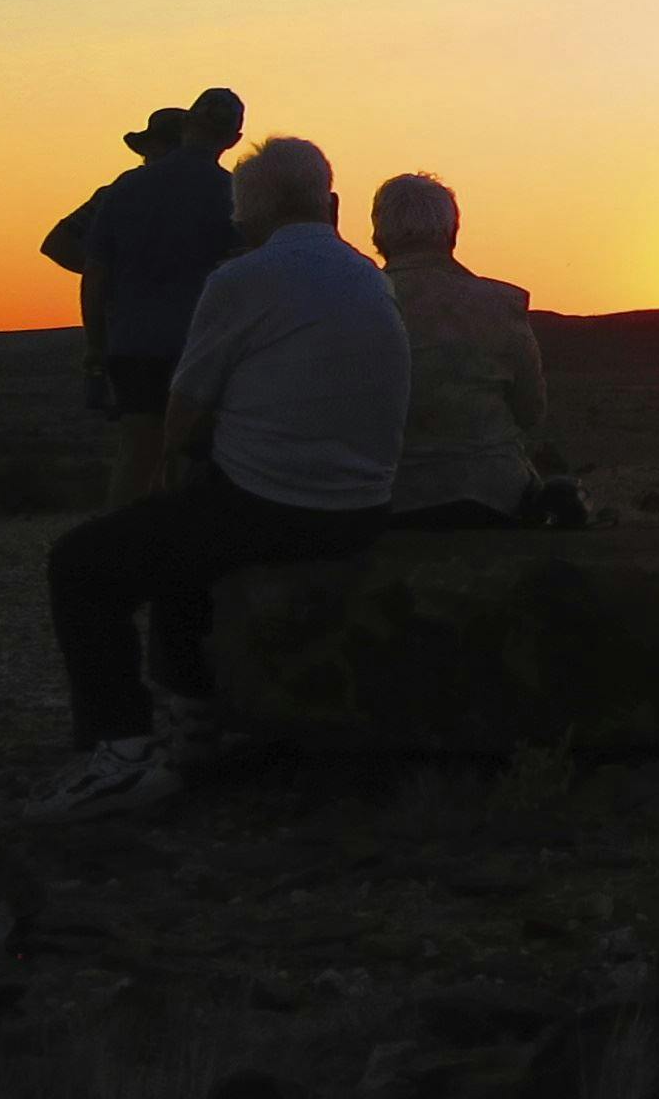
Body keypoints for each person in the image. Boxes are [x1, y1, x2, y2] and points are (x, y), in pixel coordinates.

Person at [34, 136, 408, 820]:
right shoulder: (366, 275)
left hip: (280, 506)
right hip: (364, 506)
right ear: (330, 203)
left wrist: (169, 463)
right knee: (186, 535)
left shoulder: (243, 280)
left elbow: (185, 408)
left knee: (83, 564)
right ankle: (195, 719)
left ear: (246, 211)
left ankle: (122, 749)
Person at [53, 87, 249, 505]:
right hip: (201, 349)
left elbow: (93, 270)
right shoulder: (235, 196)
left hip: (133, 345)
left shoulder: (124, 189)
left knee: (137, 455)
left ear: (189, 125)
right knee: (197, 459)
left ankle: (119, 556)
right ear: (233, 139)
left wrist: (96, 342)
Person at [370, 173, 558, 529]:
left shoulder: (360, 304)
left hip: (389, 500)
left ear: (378, 236)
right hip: (492, 498)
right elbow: (531, 412)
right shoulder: (502, 305)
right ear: (453, 233)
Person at [42, 105, 185, 427]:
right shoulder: (215, 193)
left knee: (141, 438)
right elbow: (57, 244)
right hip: (180, 338)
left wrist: (109, 275)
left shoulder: (117, 194)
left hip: (129, 337)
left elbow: (58, 243)